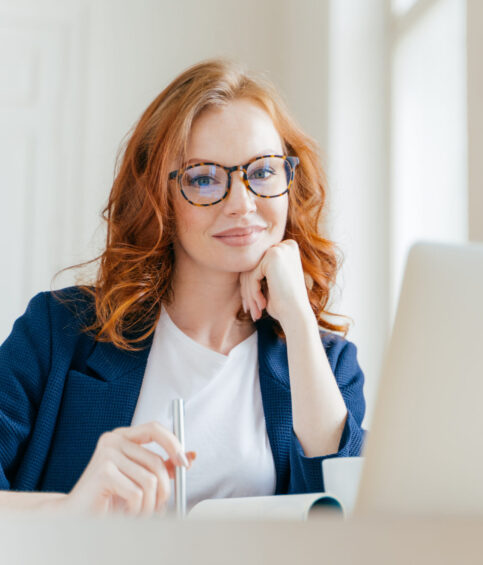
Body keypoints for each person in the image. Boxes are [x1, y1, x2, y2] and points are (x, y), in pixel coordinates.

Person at [0, 59, 366, 516]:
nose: (242, 203)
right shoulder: (57, 333)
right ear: (159, 197)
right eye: (203, 178)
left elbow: (348, 515)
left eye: (264, 171)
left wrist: (298, 319)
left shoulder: (327, 363)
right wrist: (74, 508)